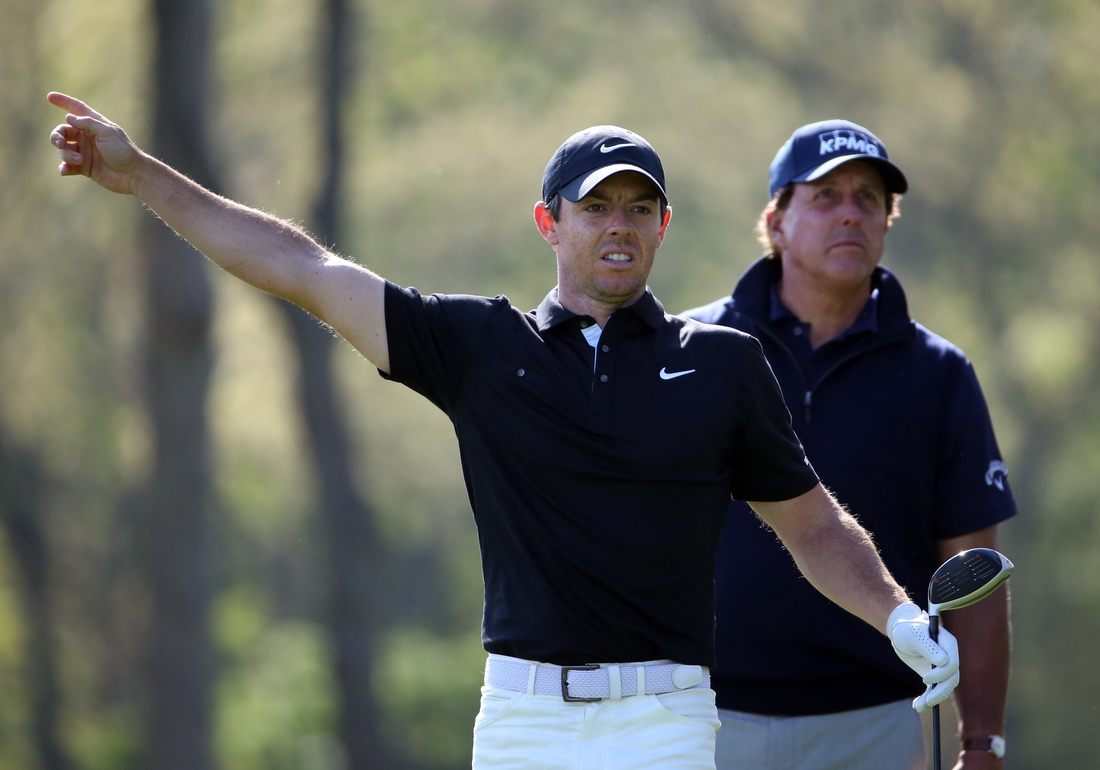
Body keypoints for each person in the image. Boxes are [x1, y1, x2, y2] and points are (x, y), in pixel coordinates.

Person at [48, 94, 961, 770]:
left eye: (639, 209)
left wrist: (898, 616)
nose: (619, 227)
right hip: (524, 721)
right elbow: (303, 268)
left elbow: (811, 525)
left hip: (670, 719)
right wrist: (137, 175)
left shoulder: (722, 362)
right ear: (549, 224)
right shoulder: (482, 346)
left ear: (664, 227)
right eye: (596, 207)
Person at [682, 120, 1016, 770]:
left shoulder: (938, 374)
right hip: (701, 718)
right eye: (825, 196)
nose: (850, 214)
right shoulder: (694, 349)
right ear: (775, 222)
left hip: (876, 724)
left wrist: (982, 741)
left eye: (869, 199)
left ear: (888, 224)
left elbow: (974, 576)